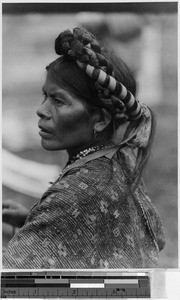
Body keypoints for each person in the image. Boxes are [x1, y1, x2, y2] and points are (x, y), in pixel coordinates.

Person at [3, 27, 165, 269]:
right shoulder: (118, 161)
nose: (42, 110)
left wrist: (56, 215)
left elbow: (9, 278)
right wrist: (38, 219)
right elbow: (156, 236)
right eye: (45, 96)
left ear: (100, 119)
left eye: (58, 101)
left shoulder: (75, 194)